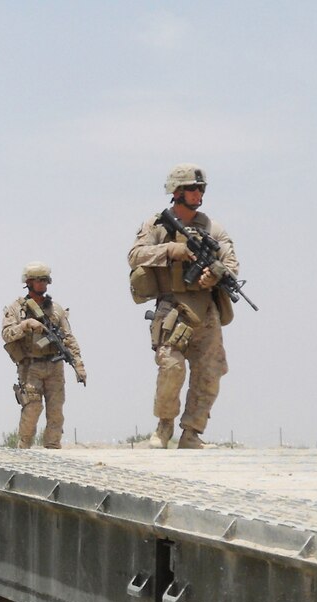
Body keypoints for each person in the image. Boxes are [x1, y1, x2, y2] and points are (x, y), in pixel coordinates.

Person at [128, 163, 239, 449]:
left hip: (206, 311)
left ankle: (192, 432)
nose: (198, 193)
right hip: (173, 307)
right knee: (172, 367)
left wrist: (215, 274)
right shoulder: (156, 225)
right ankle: (164, 427)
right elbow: (135, 255)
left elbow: (231, 266)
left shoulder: (213, 229)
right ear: (176, 192)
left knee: (209, 372)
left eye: (201, 188)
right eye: (192, 188)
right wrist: (172, 250)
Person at [1, 263, 87, 449]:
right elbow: (6, 334)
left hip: (55, 366)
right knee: (32, 408)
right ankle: (23, 448)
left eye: (44, 280)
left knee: (56, 411)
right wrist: (25, 325)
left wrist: (79, 366)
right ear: (29, 282)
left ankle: (53, 447)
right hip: (30, 367)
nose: (42, 284)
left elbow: (69, 338)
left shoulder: (55, 309)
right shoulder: (17, 309)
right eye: (38, 280)